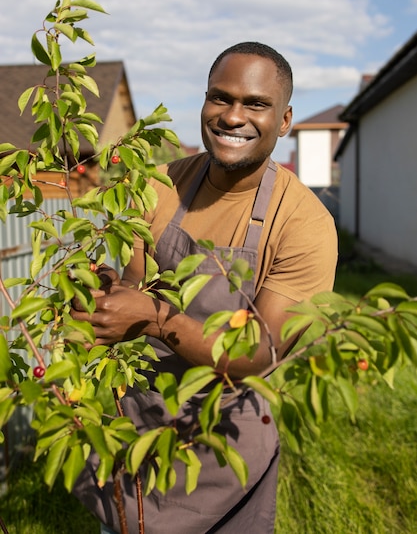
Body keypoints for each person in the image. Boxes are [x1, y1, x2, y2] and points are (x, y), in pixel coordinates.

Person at [72, 42, 338, 533]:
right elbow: (137, 281)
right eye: (220, 98)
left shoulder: (304, 223)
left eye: (256, 104)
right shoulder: (160, 184)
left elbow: (260, 352)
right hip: (142, 418)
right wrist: (105, 294)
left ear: (284, 120)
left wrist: (153, 316)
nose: (233, 116)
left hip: (225, 437)